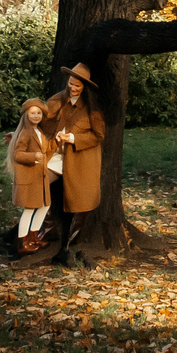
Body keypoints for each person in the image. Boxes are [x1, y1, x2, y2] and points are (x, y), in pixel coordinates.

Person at [42, 62, 108, 230]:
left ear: (84, 87)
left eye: (77, 86)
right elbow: (39, 120)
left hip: (79, 160)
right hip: (55, 156)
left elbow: (98, 136)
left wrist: (72, 138)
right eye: (70, 84)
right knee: (39, 184)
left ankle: (73, 241)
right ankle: (47, 229)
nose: (73, 88)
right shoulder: (57, 99)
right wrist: (19, 135)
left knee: (81, 200)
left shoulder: (92, 108)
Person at [5, 97, 55, 252]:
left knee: (44, 206)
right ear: (26, 115)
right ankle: (22, 242)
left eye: (39, 113)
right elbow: (17, 154)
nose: (36, 116)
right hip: (30, 177)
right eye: (33, 113)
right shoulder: (26, 133)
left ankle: (34, 238)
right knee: (30, 209)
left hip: (40, 177)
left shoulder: (39, 132)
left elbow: (47, 151)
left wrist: (58, 141)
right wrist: (33, 157)